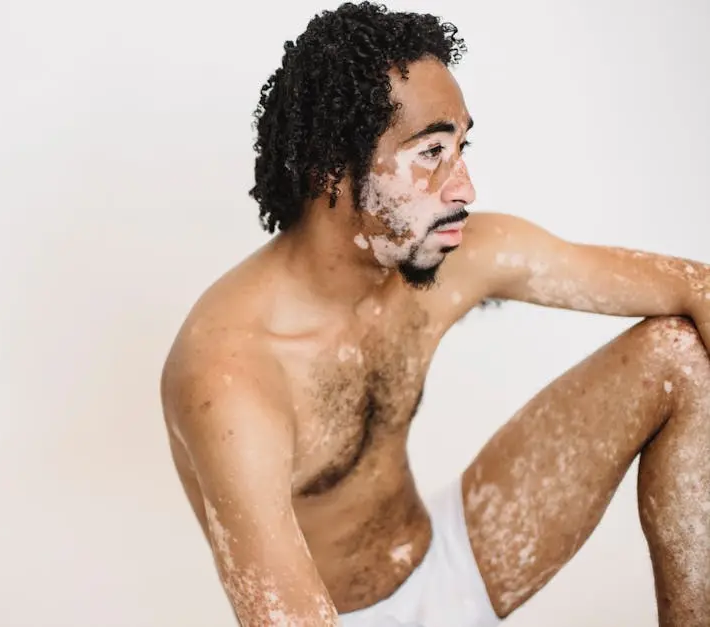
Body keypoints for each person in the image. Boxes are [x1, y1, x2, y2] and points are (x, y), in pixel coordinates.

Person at [158, 3, 710, 626]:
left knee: (678, 354)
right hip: (334, 617)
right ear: (327, 167)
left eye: (460, 147)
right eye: (429, 153)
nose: (465, 187)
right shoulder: (230, 373)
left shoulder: (440, 257)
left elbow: (696, 288)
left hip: (445, 555)